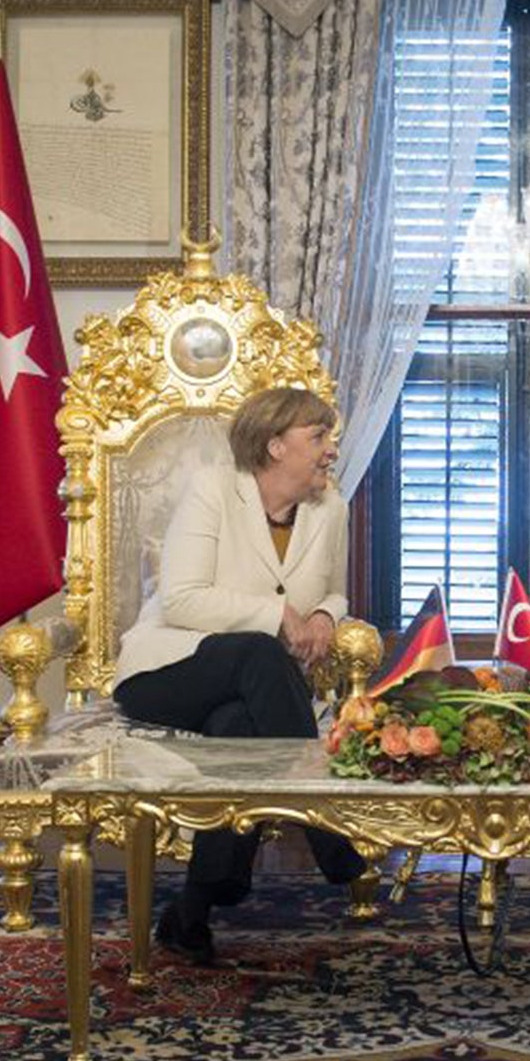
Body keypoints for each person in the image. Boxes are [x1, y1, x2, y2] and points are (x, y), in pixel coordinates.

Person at [111, 386, 365, 965]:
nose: (331, 449)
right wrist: (278, 614)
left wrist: (325, 612)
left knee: (239, 728)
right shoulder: (214, 491)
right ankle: (327, 826)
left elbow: (333, 588)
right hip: (169, 671)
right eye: (318, 436)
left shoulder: (332, 507)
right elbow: (181, 599)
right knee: (256, 649)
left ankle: (195, 908)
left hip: (254, 690)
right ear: (275, 446)